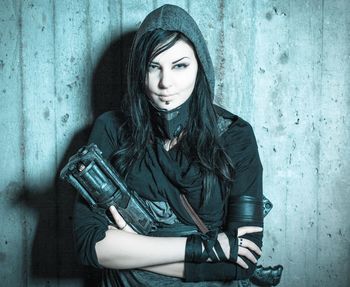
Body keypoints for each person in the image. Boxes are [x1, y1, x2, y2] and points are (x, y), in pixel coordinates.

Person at [73, 4, 264, 286]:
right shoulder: (111, 129)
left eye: (180, 66)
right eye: (153, 66)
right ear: (139, 70)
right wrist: (205, 249)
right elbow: (89, 245)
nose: (166, 83)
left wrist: (133, 250)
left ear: (201, 67)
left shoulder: (236, 135)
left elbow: (243, 263)